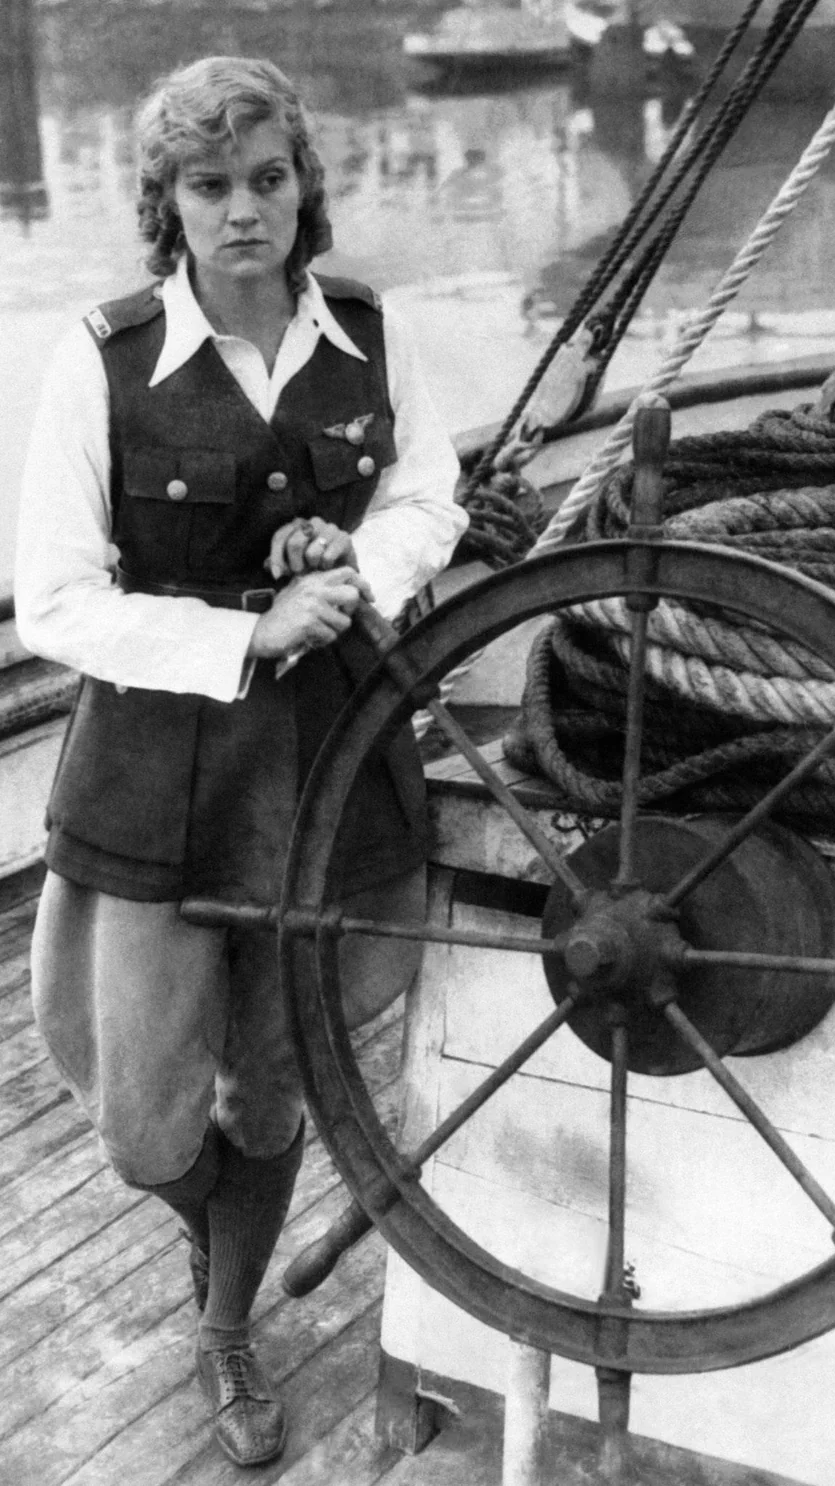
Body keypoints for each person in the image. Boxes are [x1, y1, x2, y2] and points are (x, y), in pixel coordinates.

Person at [14, 55, 467, 1469]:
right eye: (209, 187)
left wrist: (361, 558)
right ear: (168, 207)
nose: (243, 210)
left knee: (273, 1082)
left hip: (328, 776)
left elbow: (427, 496)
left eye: (267, 179)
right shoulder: (97, 359)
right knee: (145, 1126)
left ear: (303, 187)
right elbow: (56, 598)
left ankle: (225, 1326)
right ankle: (219, 1232)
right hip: (157, 772)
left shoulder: (376, 340)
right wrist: (247, 626)